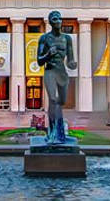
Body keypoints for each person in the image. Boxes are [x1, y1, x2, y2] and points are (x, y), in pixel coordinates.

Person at [36, 10, 77, 144]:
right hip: (50, 71)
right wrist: (48, 54)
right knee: (53, 100)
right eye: (55, 19)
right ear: (50, 22)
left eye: (59, 19)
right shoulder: (44, 38)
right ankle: (52, 132)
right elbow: (39, 61)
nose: (58, 21)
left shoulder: (67, 39)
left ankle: (59, 133)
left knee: (61, 102)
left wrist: (72, 64)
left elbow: (70, 59)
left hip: (61, 72)